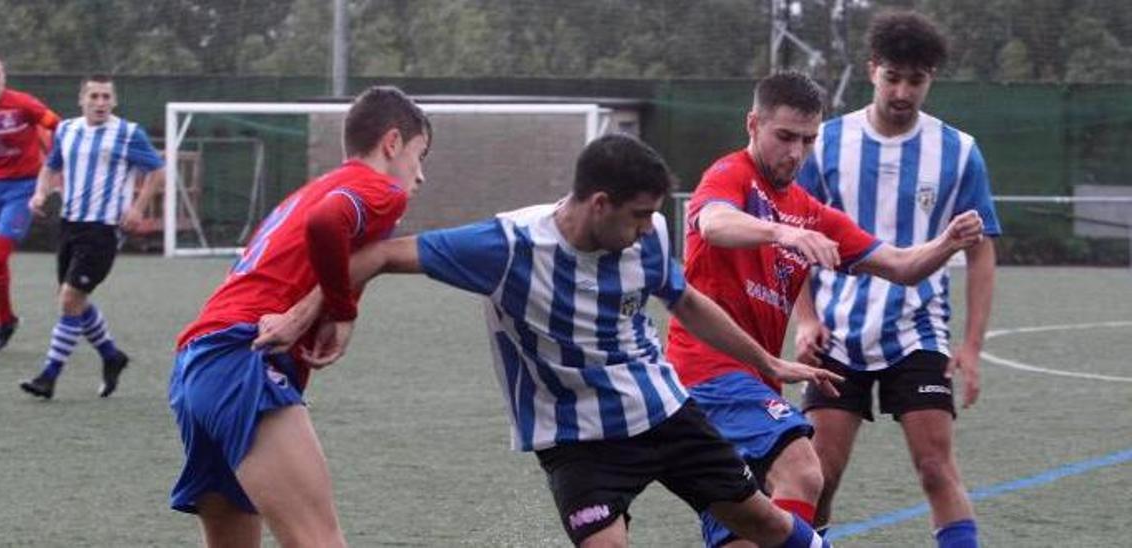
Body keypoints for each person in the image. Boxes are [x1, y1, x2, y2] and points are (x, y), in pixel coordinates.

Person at [268, 134, 841, 548]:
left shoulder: (648, 233)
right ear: (599, 204)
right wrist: (317, 310)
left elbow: (686, 301)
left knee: (762, 523)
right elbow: (380, 254)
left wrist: (765, 359)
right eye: (638, 216)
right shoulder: (507, 246)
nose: (648, 230)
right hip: (576, 440)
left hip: (662, 412)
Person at [664, 71, 986, 548]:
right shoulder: (731, 175)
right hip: (708, 371)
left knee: (745, 532)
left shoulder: (810, 211)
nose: (795, 152)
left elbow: (899, 266)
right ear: (753, 124)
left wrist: (946, 242)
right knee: (804, 469)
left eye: (808, 140)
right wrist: (782, 233)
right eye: (784, 136)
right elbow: (713, 224)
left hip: (756, 379)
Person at [168, 86, 430, 547]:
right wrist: (343, 309)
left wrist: (328, 306)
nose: (420, 176)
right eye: (419, 155)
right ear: (392, 143)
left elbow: (328, 234)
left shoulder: (316, 187)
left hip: (199, 362)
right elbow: (327, 224)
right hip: (243, 358)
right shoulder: (379, 189)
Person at [792, 12, 1001, 548]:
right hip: (837, 333)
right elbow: (795, 240)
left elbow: (982, 253)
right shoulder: (827, 145)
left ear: (931, 78)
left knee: (936, 467)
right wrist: (808, 317)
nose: (904, 90)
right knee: (819, 474)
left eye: (917, 78)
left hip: (918, 329)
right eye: (893, 77)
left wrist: (972, 347)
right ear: (872, 71)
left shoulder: (958, 151)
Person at [17, 75, 165, 400]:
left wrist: (138, 207)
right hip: (70, 224)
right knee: (73, 300)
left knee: (70, 300)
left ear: (114, 101)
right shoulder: (67, 130)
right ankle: (112, 356)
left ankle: (48, 376)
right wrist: (40, 194)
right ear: (81, 99)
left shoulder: (127, 133)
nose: (100, 103)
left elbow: (157, 170)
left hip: (103, 230)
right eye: (94, 96)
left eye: (106, 97)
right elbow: (51, 166)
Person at [0, 55, 61, 352]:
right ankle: (7, 318)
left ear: (3, 78)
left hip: (23, 188)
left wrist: (54, 168)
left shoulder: (23, 104)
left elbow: (57, 124)